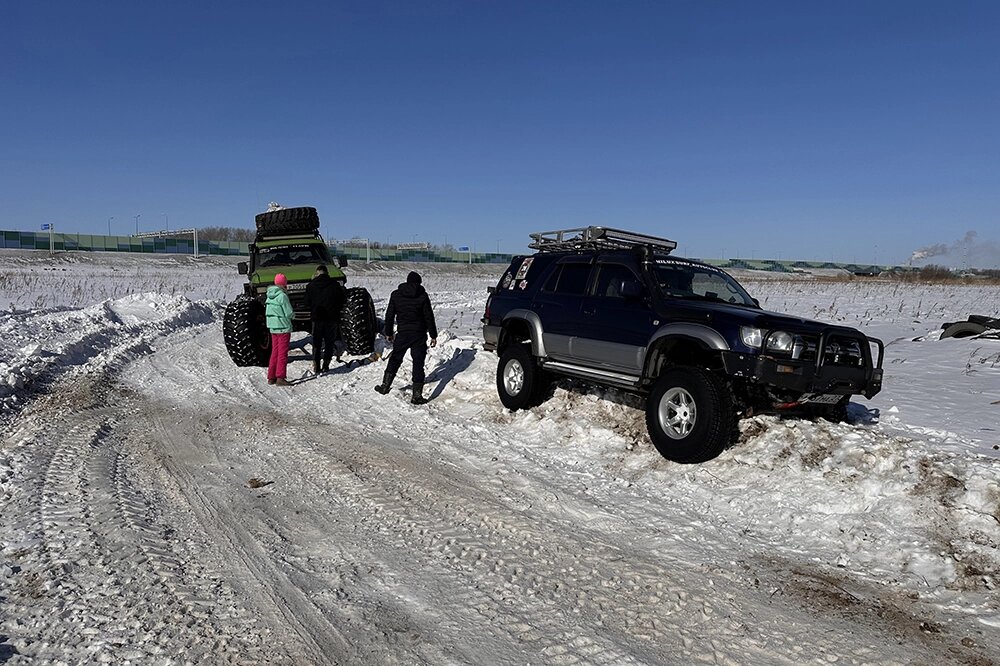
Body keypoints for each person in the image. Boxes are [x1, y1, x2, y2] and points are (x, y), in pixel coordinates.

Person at [374, 271, 438, 404]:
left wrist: (389, 333)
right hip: (419, 334)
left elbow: (389, 315)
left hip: (403, 334)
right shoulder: (422, 295)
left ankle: (385, 386)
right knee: (418, 363)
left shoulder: (396, 295)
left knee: (395, 359)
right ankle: (417, 396)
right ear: (419, 282)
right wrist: (433, 335)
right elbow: (428, 316)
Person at [304, 264, 346, 374]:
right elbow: (342, 300)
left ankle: (316, 365)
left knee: (316, 342)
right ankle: (326, 365)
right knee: (329, 342)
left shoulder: (311, 285)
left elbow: (307, 302)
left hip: (317, 318)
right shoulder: (335, 285)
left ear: (317, 273)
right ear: (327, 273)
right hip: (332, 318)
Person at [265, 273, 294, 386]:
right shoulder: (282, 296)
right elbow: (289, 312)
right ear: (284, 284)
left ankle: (271, 377)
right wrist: (294, 316)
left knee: (274, 352)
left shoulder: (269, 295)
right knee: (282, 353)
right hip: (283, 327)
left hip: (273, 328)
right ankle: (280, 377)